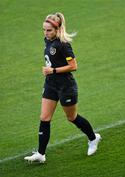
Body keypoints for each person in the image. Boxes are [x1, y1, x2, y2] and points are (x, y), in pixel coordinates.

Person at [24, 12, 101, 163]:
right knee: (44, 118)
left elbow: (73, 66)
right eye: (44, 30)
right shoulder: (47, 40)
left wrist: (52, 70)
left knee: (72, 117)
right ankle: (41, 154)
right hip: (51, 84)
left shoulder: (63, 45)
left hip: (66, 87)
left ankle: (93, 138)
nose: (46, 33)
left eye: (49, 30)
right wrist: (50, 73)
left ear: (57, 29)